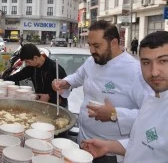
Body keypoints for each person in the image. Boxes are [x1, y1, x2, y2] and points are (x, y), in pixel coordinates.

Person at [52, 20, 151, 163]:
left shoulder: (135, 72)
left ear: (114, 43)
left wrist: (114, 114)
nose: (92, 50)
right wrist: (65, 83)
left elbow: (150, 115)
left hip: (110, 153)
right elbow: (78, 77)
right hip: (84, 142)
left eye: (97, 46)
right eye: (90, 45)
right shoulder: (92, 61)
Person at [81, 31, 168, 163]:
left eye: (163, 61)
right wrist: (108, 146)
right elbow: (144, 143)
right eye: (146, 62)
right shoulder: (153, 100)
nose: (154, 72)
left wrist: (114, 114)